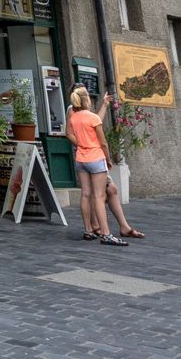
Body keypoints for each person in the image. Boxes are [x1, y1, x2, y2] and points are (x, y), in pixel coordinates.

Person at [68, 85, 125, 246]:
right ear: (86, 99)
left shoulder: (74, 117)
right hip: (95, 157)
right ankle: (106, 234)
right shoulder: (92, 117)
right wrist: (108, 159)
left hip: (81, 159)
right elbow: (103, 142)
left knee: (85, 194)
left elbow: (72, 134)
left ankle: (88, 230)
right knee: (99, 197)